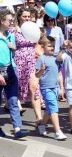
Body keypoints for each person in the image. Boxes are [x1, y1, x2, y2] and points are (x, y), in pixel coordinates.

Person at [0, 9, 29, 139]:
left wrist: (14, 48)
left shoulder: (11, 35)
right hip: (0, 71)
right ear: (1, 21)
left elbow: (12, 54)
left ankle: (17, 129)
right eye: (9, 20)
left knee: (12, 100)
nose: (12, 22)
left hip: (11, 70)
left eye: (12, 20)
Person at [12, 8, 42, 123]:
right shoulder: (14, 30)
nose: (27, 19)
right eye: (24, 16)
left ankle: (38, 117)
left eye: (29, 16)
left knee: (34, 88)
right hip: (19, 62)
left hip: (32, 61)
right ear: (19, 17)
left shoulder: (33, 28)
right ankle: (13, 106)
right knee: (17, 88)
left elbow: (37, 44)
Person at [35, 36, 67, 140]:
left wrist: (62, 88)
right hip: (46, 88)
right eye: (49, 46)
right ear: (43, 46)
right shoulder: (41, 58)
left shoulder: (56, 58)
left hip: (55, 87)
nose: (52, 48)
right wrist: (41, 70)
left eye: (53, 46)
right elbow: (37, 75)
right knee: (54, 109)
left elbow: (59, 74)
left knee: (49, 110)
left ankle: (42, 125)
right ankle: (58, 132)